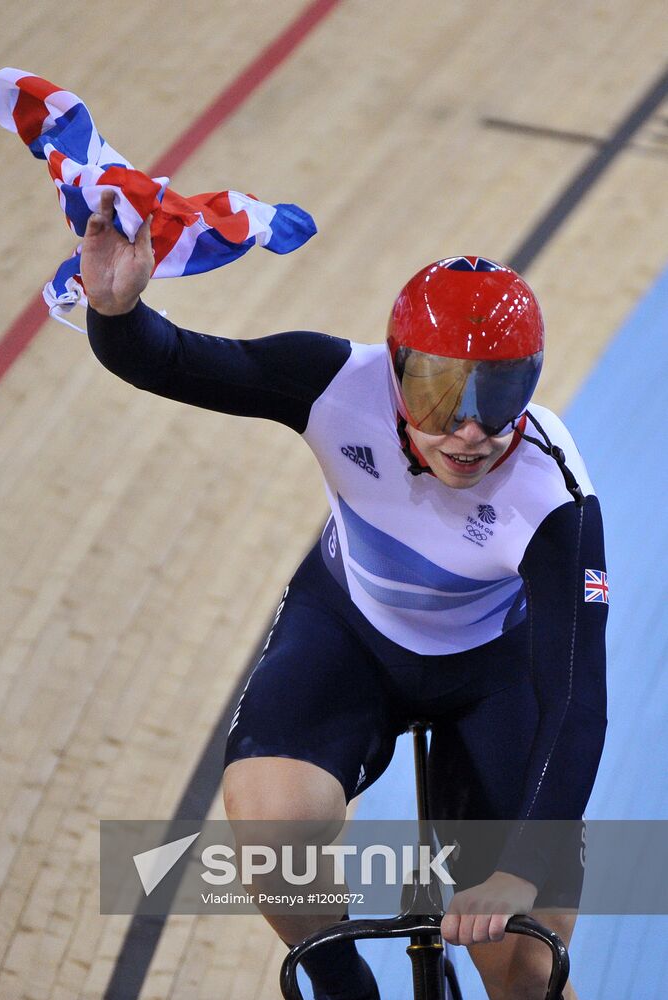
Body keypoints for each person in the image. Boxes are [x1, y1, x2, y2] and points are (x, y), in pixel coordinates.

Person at [82, 189, 608, 1000]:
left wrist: (518, 871)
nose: (469, 431)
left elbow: (575, 700)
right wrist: (117, 314)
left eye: (497, 399)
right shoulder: (336, 380)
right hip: (352, 633)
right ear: (395, 373)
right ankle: (341, 985)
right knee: (268, 830)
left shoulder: (554, 497)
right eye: (440, 398)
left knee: (529, 964)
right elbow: (174, 359)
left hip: (493, 672)